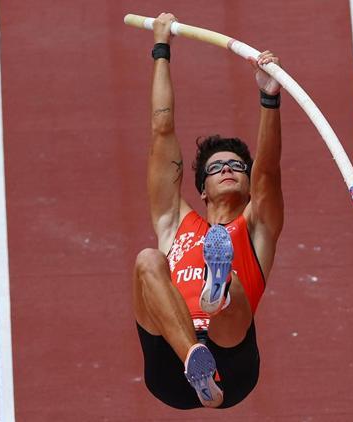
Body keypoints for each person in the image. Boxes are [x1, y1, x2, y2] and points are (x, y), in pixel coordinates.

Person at [132, 12, 284, 409]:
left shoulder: (257, 228)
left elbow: (268, 171)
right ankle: (193, 360)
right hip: (172, 365)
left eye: (237, 166)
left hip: (232, 366)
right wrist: (161, 50)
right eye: (218, 167)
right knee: (148, 260)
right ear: (201, 188)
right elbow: (161, 131)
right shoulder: (174, 222)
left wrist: (269, 96)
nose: (229, 169)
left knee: (231, 286)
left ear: (248, 184)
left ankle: (216, 295)